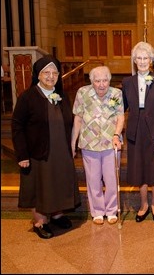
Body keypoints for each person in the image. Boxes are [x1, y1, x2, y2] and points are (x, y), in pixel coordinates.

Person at [11, 55, 81, 239]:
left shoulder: (62, 96)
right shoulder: (28, 97)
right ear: (38, 75)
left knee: (57, 182)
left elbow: (71, 121)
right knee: (40, 186)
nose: (50, 76)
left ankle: (57, 215)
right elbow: (17, 126)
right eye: (46, 72)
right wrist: (22, 154)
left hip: (60, 151)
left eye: (54, 72)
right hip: (38, 152)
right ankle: (40, 221)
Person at [122, 41, 154, 223]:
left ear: (151, 60)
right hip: (136, 129)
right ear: (134, 60)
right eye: (139, 58)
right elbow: (121, 108)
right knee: (139, 168)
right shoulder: (127, 82)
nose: (142, 61)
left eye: (146, 58)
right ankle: (143, 204)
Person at [71, 66, 124, 225]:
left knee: (112, 179)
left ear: (109, 80)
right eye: (97, 81)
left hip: (110, 142)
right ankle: (98, 212)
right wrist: (73, 143)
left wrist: (116, 135)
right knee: (93, 179)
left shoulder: (116, 94)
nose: (102, 84)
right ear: (91, 81)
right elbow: (78, 119)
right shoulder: (82, 93)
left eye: (105, 80)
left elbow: (120, 117)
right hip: (89, 143)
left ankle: (112, 210)